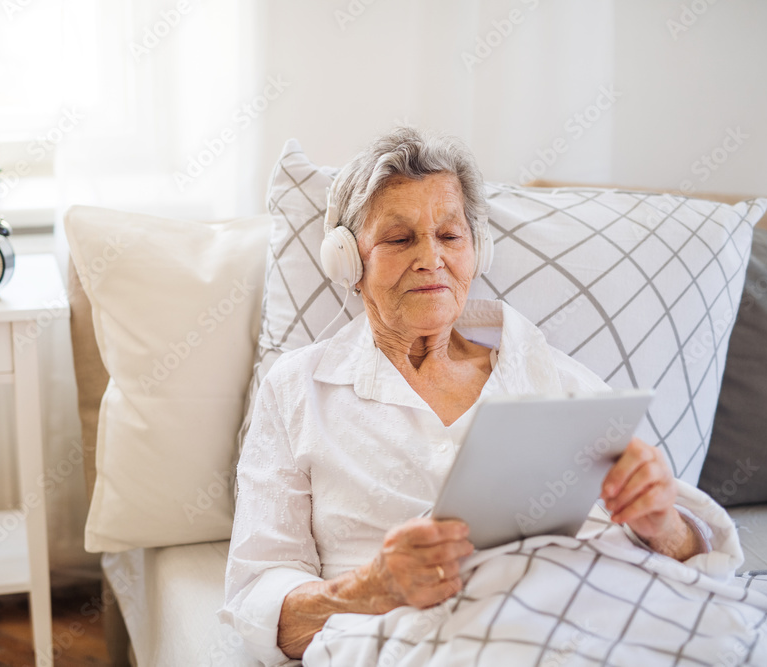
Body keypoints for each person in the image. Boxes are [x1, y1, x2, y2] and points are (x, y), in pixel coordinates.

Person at [219, 127, 736, 665]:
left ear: (477, 250)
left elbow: (693, 551)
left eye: (450, 235)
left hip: (609, 617)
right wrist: (372, 590)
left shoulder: (549, 372)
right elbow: (259, 598)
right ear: (349, 262)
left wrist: (663, 525)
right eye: (399, 239)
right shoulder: (298, 390)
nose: (430, 258)